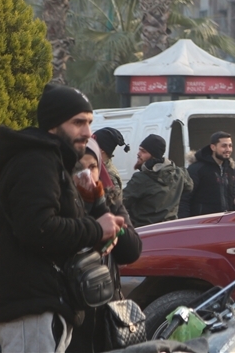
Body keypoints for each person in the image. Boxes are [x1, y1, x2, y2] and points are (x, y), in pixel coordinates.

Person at [0, 84, 125, 353]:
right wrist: (96, 229)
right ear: (52, 125)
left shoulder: (51, 161)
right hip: (33, 307)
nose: (86, 132)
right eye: (77, 122)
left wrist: (96, 214)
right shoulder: (35, 160)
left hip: (46, 306)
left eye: (89, 123)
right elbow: (38, 228)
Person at [68, 138, 142, 352]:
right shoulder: (61, 204)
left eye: (92, 167)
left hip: (106, 312)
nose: (86, 175)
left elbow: (132, 250)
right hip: (73, 316)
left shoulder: (109, 199)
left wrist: (100, 206)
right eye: (78, 169)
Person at [123, 134, 193, 227]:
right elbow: (189, 187)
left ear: (154, 155)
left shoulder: (141, 178)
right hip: (169, 229)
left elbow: (122, 202)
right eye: (139, 149)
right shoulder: (179, 173)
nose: (138, 153)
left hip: (144, 230)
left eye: (143, 151)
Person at [179, 131, 235, 217]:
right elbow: (184, 198)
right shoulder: (197, 169)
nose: (228, 149)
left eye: (230, 146)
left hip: (225, 222)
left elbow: (231, 196)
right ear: (213, 147)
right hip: (202, 223)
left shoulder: (230, 169)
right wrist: (184, 223)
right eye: (224, 146)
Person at [92, 126, 130, 196]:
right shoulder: (97, 168)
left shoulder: (109, 175)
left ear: (101, 150)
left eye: (92, 144)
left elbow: (114, 202)